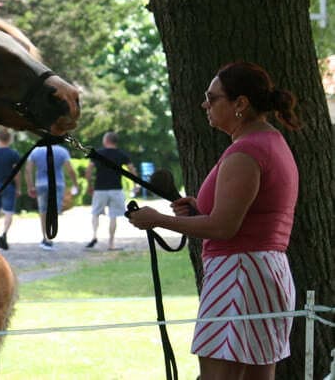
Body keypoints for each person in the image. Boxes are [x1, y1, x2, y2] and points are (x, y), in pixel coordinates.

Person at [126, 61, 301, 380]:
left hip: (239, 274)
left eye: (213, 97)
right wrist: (198, 207)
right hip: (263, 272)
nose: (205, 104)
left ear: (240, 104)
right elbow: (245, 214)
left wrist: (158, 220)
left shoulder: (245, 152)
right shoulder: (269, 142)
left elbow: (223, 228)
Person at [85, 132, 137, 250]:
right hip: (116, 189)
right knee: (113, 216)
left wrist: (89, 185)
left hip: (100, 189)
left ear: (106, 140)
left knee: (95, 213)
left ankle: (94, 236)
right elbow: (132, 169)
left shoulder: (97, 153)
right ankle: (111, 243)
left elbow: (89, 170)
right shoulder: (122, 154)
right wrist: (135, 184)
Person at [25, 142, 78, 250]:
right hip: (57, 184)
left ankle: (45, 237)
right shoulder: (62, 151)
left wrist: (30, 186)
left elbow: (28, 169)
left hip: (41, 184)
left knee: (43, 211)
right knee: (54, 211)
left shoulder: (36, 151)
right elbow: (70, 170)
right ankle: (50, 237)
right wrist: (75, 184)